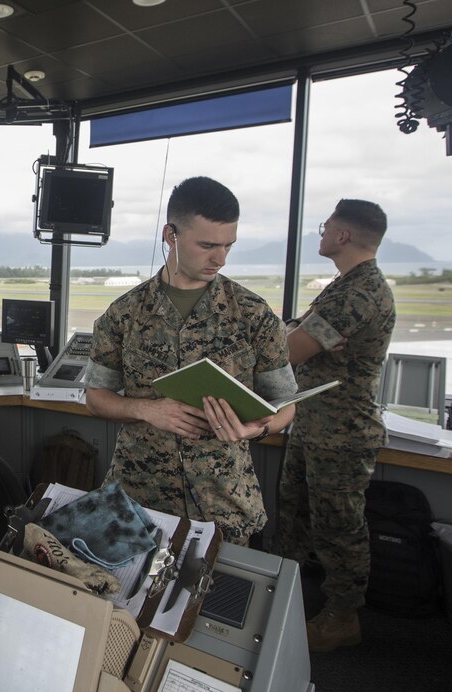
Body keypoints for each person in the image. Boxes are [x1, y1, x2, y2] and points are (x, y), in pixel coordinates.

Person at [84, 177, 297, 545]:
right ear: (171, 235)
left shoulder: (252, 315)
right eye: (207, 245)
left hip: (222, 503)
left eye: (229, 246)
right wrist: (146, 410)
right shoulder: (124, 314)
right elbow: (96, 396)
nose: (220, 258)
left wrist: (257, 430)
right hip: (140, 497)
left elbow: (285, 404)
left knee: (213, 600)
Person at [277, 199, 396, 653]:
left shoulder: (358, 294)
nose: (321, 232)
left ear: (343, 236)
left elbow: (291, 350)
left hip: (342, 432)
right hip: (314, 423)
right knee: (296, 514)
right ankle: (282, 597)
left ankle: (342, 617)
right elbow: (296, 330)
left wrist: (288, 335)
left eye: (327, 226)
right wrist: (290, 332)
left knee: (338, 526)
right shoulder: (344, 286)